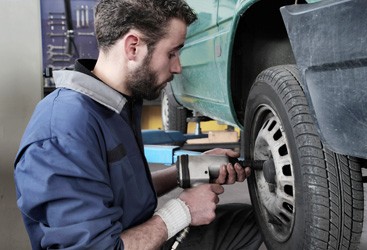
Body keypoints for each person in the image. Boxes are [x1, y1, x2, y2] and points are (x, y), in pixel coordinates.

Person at [14, 0, 263, 249]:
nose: (177, 67)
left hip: (138, 234)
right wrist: (183, 210)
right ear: (133, 47)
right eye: (172, 53)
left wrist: (187, 171)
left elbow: (120, 194)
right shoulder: (63, 131)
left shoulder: (114, 106)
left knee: (255, 224)